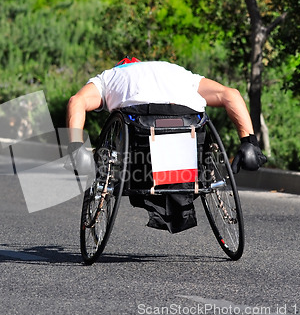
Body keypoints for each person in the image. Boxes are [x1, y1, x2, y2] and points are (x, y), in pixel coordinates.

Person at [66, 57, 267, 233]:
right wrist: (249, 142)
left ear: (120, 66)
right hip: (188, 125)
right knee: (195, 126)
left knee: (133, 135)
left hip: (141, 130)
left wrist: (76, 147)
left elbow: (77, 101)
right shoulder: (176, 71)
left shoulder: (108, 77)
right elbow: (230, 94)